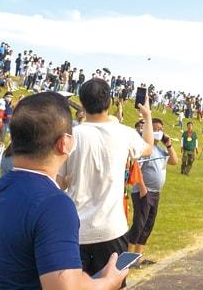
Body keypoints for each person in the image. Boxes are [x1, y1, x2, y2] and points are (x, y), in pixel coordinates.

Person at [0, 91, 131, 290]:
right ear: (64, 143)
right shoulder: (54, 204)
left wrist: (92, 281)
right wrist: (108, 282)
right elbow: (64, 288)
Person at [60, 78, 152, 275]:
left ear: (83, 104)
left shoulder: (72, 136)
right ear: (109, 102)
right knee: (113, 282)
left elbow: (59, 183)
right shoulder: (124, 133)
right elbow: (148, 148)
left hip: (76, 231)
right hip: (112, 230)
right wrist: (148, 117)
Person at [129, 115, 178, 264]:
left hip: (155, 193)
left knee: (148, 225)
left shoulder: (161, 150)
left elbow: (175, 161)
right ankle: (127, 257)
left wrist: (168, 144)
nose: (158, 132)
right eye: (155, 129)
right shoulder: (145, 148)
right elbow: (136, 168)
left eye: (160, 130)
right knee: (139, 224)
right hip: (144, 191)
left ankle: (137, 258)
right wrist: (143, 189)